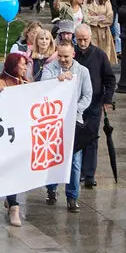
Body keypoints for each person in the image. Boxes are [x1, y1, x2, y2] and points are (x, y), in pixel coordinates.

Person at [40, 40, 92, 212]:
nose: (62, 59)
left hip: (75, 120)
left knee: (75, 161)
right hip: (53, 121)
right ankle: (51, 189)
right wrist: (58, 80)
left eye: (66, 57)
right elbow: (43, 88)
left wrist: (74, 110)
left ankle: (72, 197)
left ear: (73, 55)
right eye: (60, 56)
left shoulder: (83, 71)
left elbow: (87, 95)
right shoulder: (50, 68)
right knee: (53, 157)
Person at [73, 24, 115, 188]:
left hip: (94, 103)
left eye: (85, 39)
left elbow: (110, 79)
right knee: (76, 139)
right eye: (79, 39)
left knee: (91, 138)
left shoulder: (99, 55)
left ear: (90, 38)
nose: (82, 42)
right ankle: (78, 171)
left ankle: (89, 174)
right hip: (75, 105)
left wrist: (107, 99)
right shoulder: (72, 55)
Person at [0, 53, 30, 226]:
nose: (24, 68)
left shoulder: (27, 82)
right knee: (11, 169)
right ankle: (14, 206)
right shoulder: (1, 84)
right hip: (7, 134)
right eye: (22, 65)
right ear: (13, 66)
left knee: (19, 169)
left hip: (22, 132)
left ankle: (11, 199)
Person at [83, 0, 117, 65]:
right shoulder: (86, 2)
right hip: (91, 31)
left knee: (104, 56)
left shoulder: (107, 2)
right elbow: (86, 18)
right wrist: (99, 17)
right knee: (93, 57)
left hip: (104, 33)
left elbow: (110, 18)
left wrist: (93, 18)